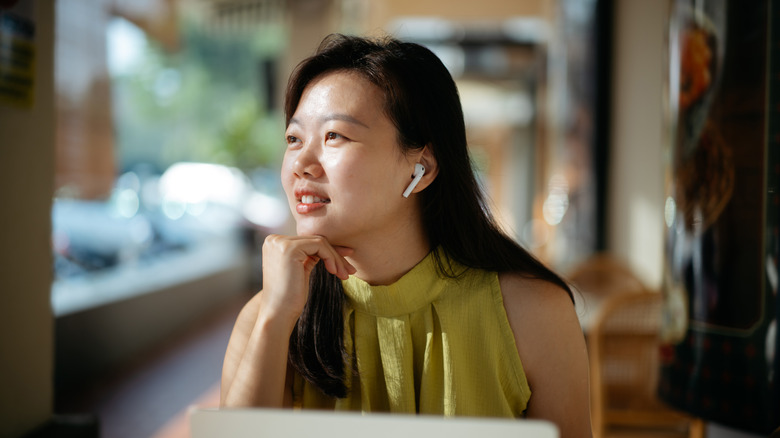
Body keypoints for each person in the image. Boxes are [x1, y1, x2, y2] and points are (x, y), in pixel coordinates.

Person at [221, 34, 591, 436]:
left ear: (422, 169)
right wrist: (275, 319)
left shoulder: (533, 314)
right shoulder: (268, 316)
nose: (301, 165)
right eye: (294, 139)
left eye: (334, 136)